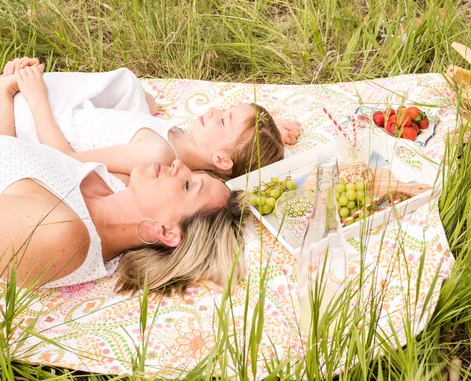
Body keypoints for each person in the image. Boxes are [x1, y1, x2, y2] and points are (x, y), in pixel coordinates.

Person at [0, 74, 249, 293]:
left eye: (187, 185)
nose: (180, 166)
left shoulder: (63, 237)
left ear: (166, 231)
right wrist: (5, 92)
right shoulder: (117, 186)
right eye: (195, 173)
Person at [2, 57, 301, 183]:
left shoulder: (156, 153)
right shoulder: (180, 138)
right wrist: (273, 133)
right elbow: (145, 108)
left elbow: (65, 158)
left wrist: (35, 95)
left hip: (30, 129)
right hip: (40, 112)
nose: (213, 111)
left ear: (222, 160)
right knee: (136, 92)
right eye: (225, 110)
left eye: (223, 121)